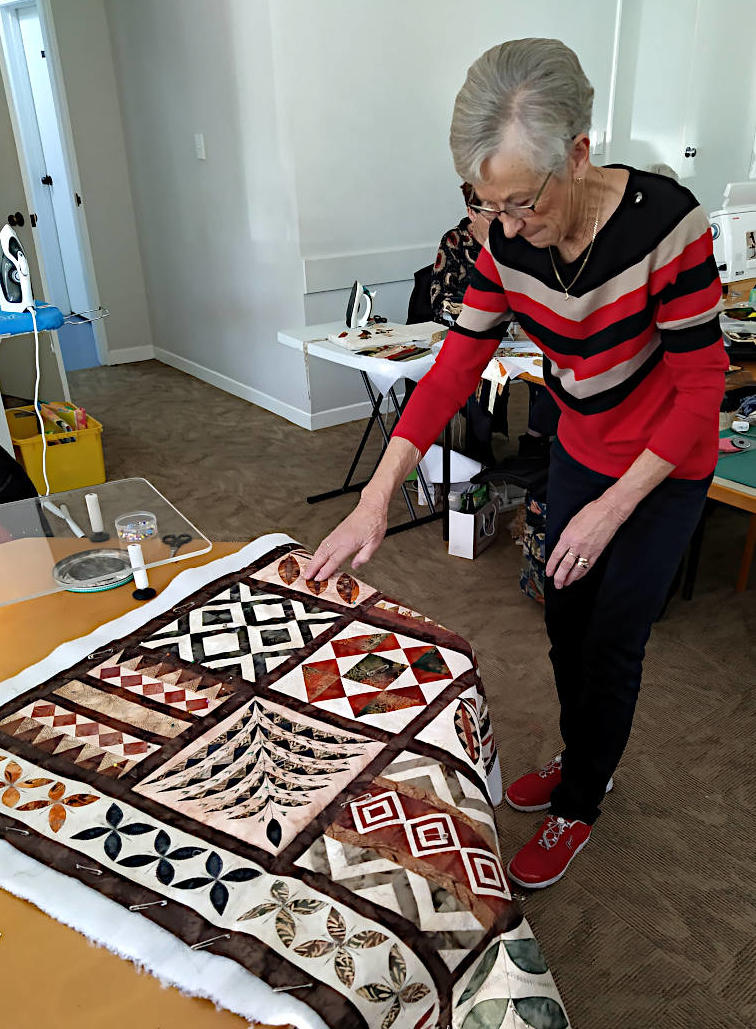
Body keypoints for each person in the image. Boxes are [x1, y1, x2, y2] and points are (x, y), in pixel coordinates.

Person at [306, 38, 726, 889]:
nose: (503, 226)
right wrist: (379, 495)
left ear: (578, 151)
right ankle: (584, 754)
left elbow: (701, 387)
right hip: (578, 448)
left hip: (663, 469)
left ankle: (582, 800)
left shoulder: (666, 226)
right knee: (563, 617)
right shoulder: (506, 240)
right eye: (482, 202)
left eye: (520, 202)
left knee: (612, 636)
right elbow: (458, 361)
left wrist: (613, 509)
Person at [432, 183, 559, 464]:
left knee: (556, 369)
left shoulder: (515, 239)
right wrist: (487, 311)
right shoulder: (455, 242)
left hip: (518, 335)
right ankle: (480, 453)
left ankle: (534, 440)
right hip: (473, 335)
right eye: (492, 217)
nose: (502, 224)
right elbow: (441, 299)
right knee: (483, 376)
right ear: (471, 213)